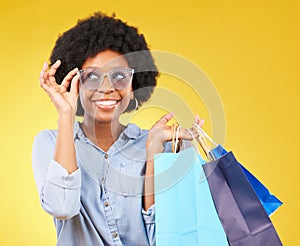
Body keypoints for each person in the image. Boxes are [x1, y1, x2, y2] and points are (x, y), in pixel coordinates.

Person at [32, 12, 204, 246]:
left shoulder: (155, 143)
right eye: (91, 76)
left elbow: (163, 239)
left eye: (119, 76)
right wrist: (66, 114)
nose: (107, 88)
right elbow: (62, 207)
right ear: (75, 82)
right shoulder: (50, 143)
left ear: (134, 84)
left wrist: (152, 154)